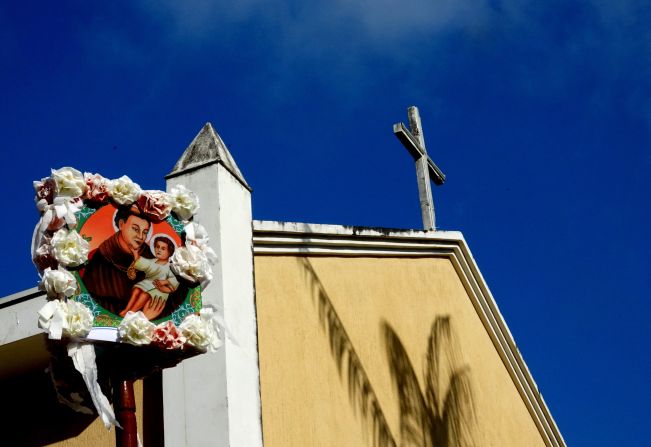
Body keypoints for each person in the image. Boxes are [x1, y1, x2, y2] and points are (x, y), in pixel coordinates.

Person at [82, 205, 175, 320]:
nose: (140, 237)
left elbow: (165, 302)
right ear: (121, 225)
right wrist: (142, 317)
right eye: (135, 229)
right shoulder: (103, 256)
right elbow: (93, 304)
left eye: (145, 232)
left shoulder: (151, 256)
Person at [119, 236, 179, 317]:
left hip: (159, 289)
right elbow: (143, 263)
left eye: (163, 248)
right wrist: (135, 254)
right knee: (136, 290)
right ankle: (127, 309)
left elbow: (175, 280)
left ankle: (132, 312)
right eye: (157, 247)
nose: (159, 250)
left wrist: (165, 282)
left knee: (144, 295)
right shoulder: (152, 261)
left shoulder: (170, 267)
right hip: (147, 283)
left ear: (170, 252)